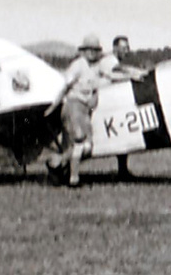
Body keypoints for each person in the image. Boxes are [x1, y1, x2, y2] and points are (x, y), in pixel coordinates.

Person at [45, 34, 114, 188]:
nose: (92, 53)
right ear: (83, 51)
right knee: (79, 139)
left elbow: (108, 77)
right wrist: (54, 106)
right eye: (89, 50)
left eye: (95, 50)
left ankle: (57, 163)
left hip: (85, 109)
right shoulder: (77, 65)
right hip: (73, 105)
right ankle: (74, 179)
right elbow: (65, 87)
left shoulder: (97, 67)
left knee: (88, 147)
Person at [103, 35, 148, 179]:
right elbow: (114, 73)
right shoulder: (109, 61)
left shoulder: (114, 61)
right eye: (124, 48)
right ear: (115, 48)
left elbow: (123, 69)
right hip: (100, 105)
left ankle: (122, 170)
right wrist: (133, 75)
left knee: (122, 139)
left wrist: (136, 72)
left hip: (109, 105)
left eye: (127, 48)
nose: (127, 51)